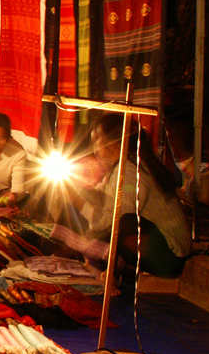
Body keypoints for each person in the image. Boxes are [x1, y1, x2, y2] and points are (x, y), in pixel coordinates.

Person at [80, 113, 191, 278]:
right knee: (91, 221)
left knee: (123, 224)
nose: (94, 147)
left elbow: (114, 218)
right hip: (163, 251)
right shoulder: (123, 166)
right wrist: (77, 191)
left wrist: (86, 237)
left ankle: (111, 271)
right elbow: (102, 196)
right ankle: (106, 267)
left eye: (97, 139)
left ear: (114, 140)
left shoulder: (129, 171)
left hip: (171, 258)